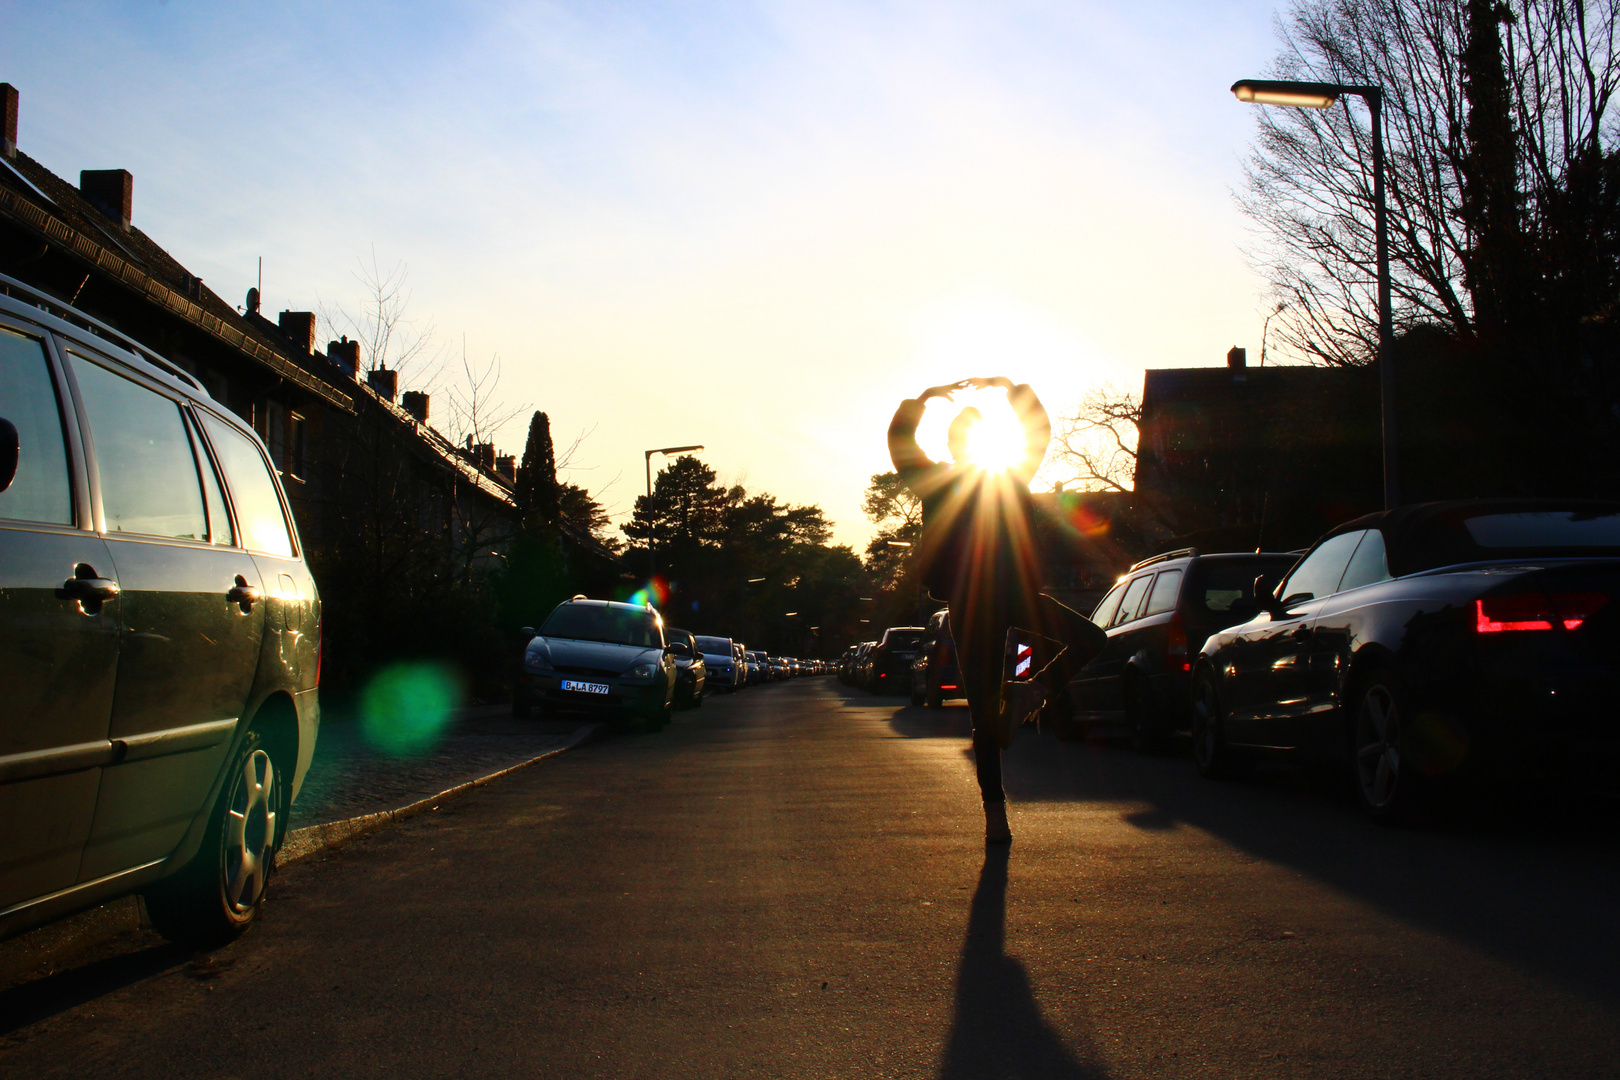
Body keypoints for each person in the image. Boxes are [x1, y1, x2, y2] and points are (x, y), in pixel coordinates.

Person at [889, 377, 1105, 844]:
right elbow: (1039, 431)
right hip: (993, 596)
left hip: (988, 597)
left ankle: (1029, 700)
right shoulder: (992, 476)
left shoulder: (970, 479)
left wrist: (923, 400)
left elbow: (899, 441)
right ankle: (996, 811)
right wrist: (1011, 390)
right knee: (991, 708)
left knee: (995, 706)